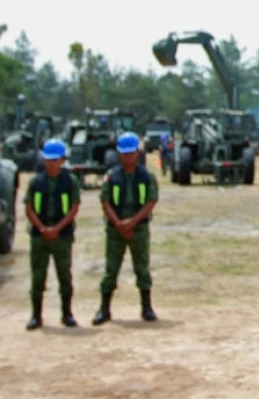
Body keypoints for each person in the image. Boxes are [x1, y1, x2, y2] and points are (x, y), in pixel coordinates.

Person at [92, 131, 159, 325]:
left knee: (142, 269)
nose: (127, 157)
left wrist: (133, 222)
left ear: (137, 153)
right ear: (118, 154)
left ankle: (146, 308)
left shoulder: (146, 176)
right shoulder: (111, 176)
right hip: (115, 230)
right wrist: (119, 224)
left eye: (131, 153)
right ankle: (104, 309)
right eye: (124, 153)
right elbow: (104, 201)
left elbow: (151, 201)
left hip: (139, 229)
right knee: (110, 269)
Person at [23, 138, 81, 330]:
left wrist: (56, 229)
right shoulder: (36, 181)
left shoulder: (70, 181)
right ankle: (36, 316)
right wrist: (41, 228)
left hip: (62, 235)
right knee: (38, 276)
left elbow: (74, 208)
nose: (52, 163)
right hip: (39, 235)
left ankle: (67, 313)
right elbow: (29, 207)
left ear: (63, 160)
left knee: (64, 275)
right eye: (48, 159)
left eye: (56, 160)